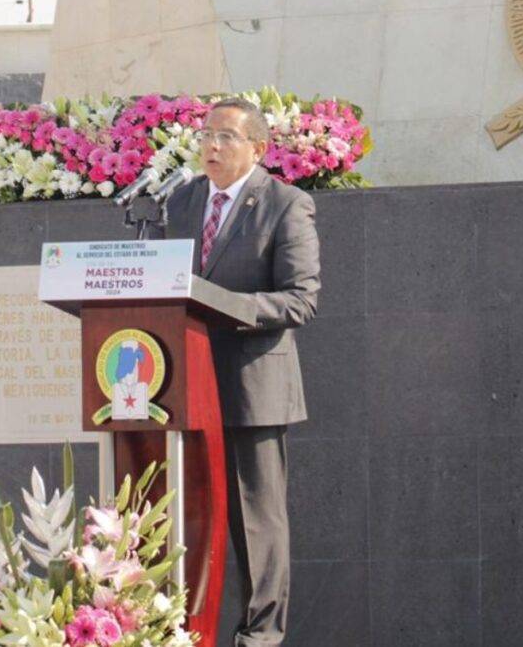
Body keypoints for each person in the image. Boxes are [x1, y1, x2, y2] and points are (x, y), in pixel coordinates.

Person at [165, 97, 320, 647]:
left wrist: (227, 305)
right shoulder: (180, 202)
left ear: (258, 147)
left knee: (257, 523)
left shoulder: (285, 204)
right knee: (188, 515)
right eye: (207, 134)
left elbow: (301, 300)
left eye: (226, 137)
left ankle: (260, 636)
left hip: (253, 386)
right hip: (182, 386)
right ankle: (181, 628)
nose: (211, 145)